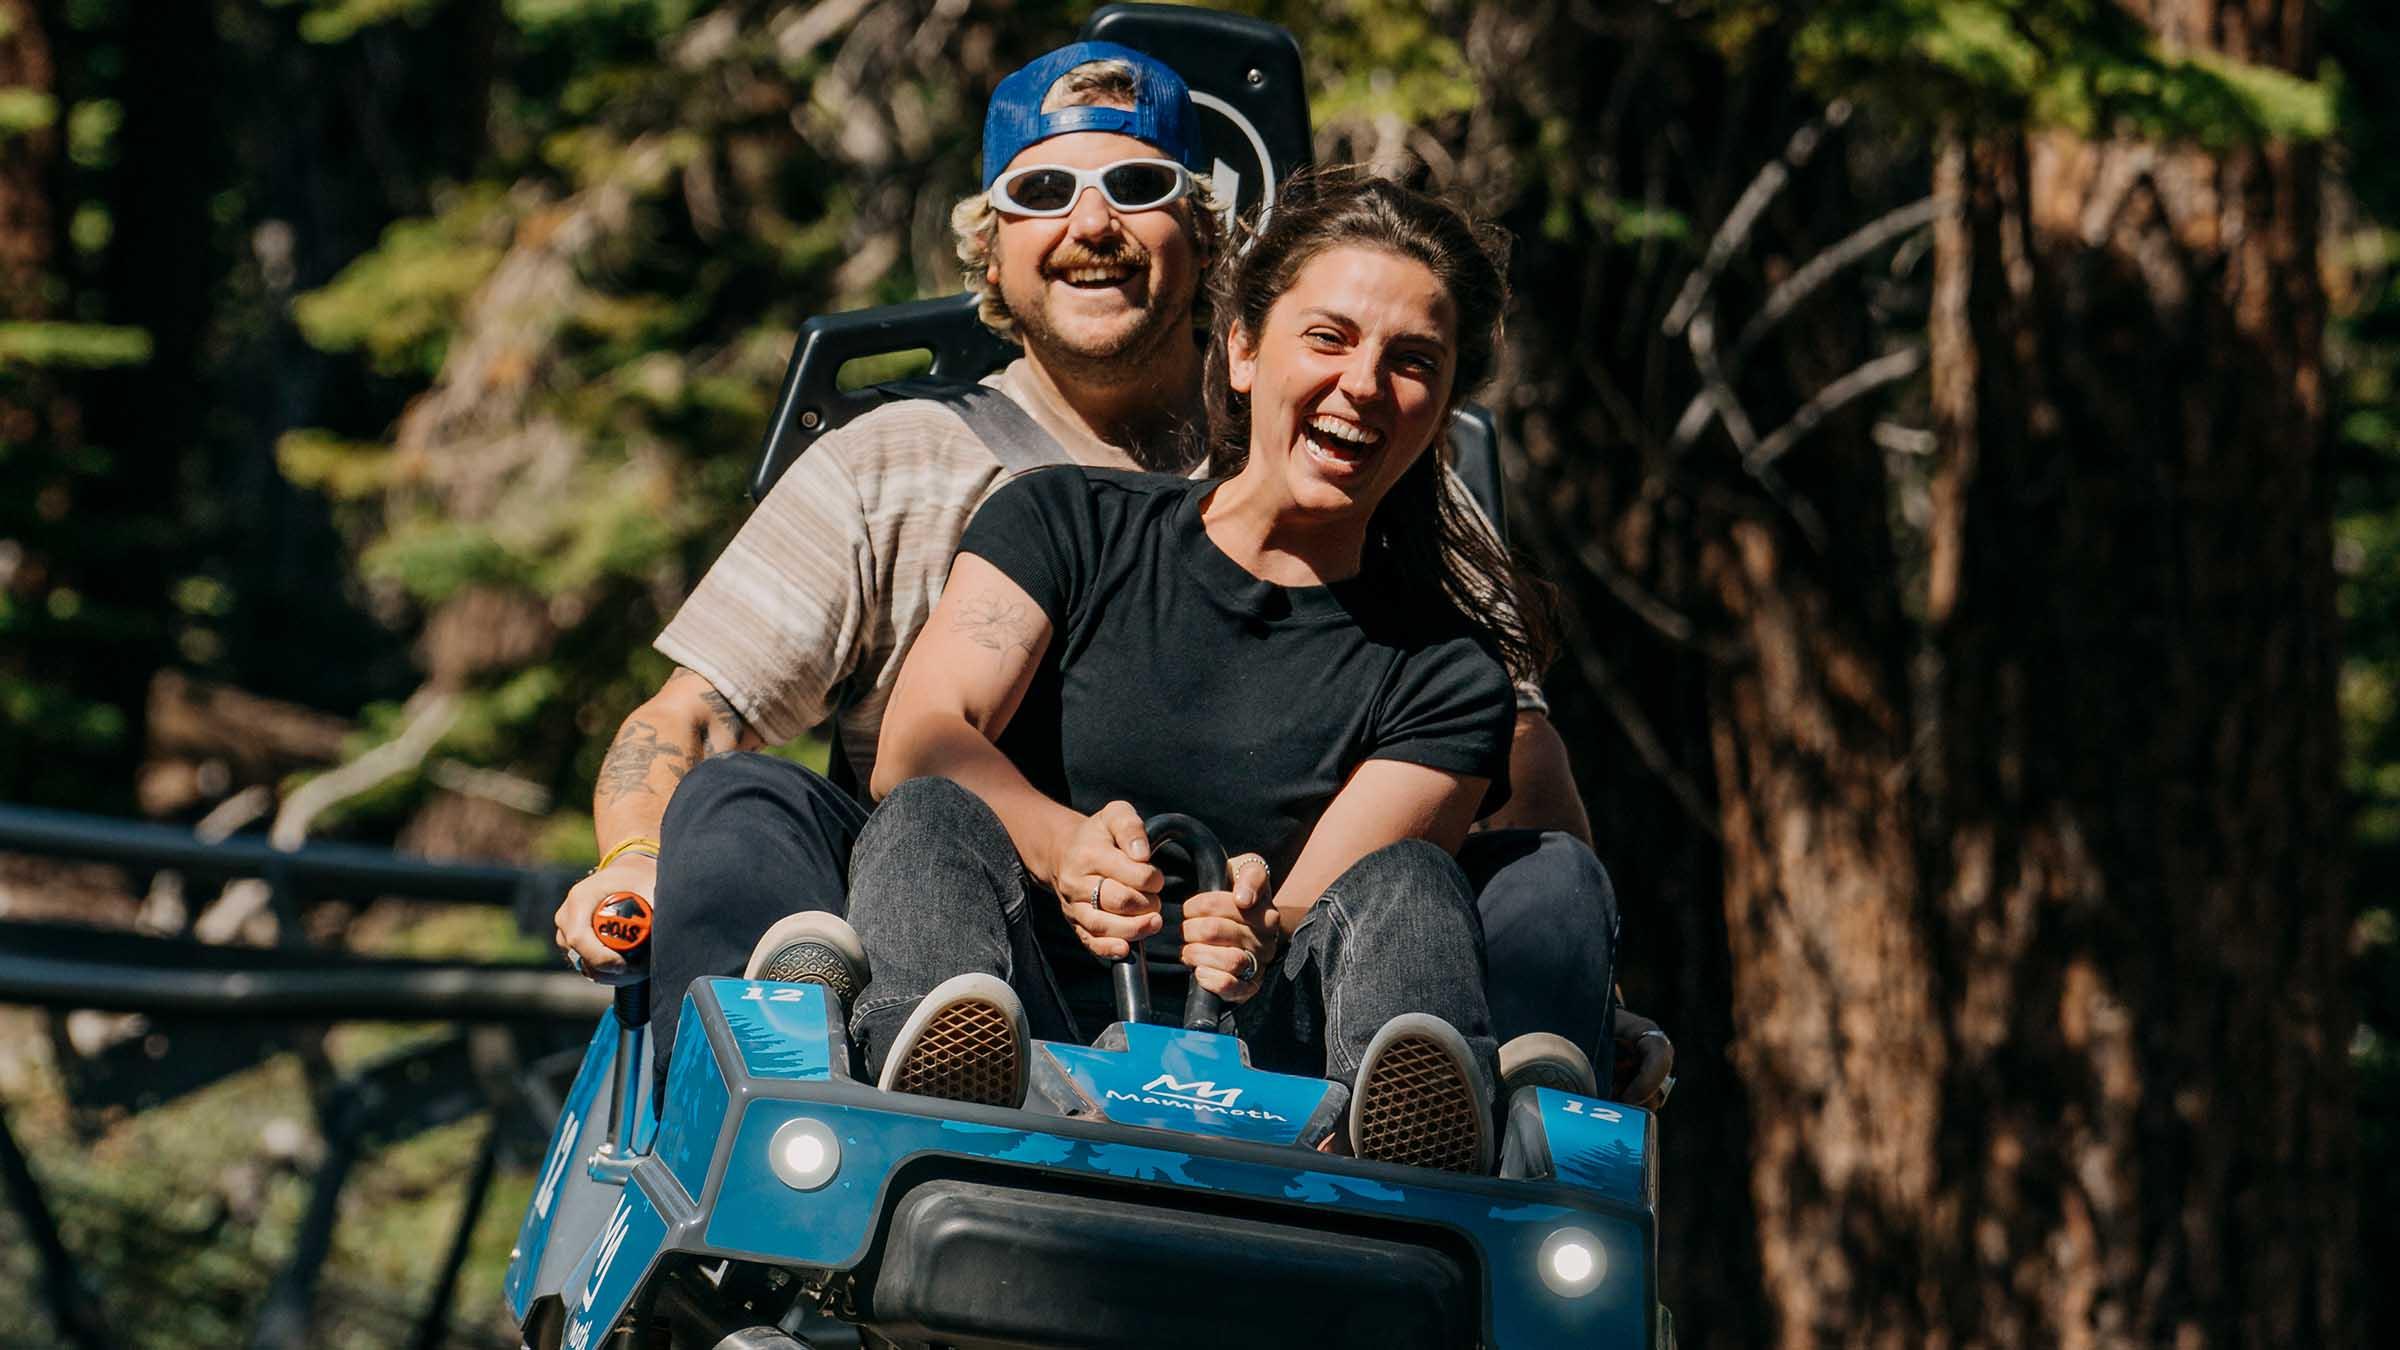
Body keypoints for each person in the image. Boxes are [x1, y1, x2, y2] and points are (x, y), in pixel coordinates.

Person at [549, 39, 1674, 1109]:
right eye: (1042, 195)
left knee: (1535, 879)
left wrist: (1581, 994)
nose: (1092, 222)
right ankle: (813, 1086)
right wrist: (637, 862)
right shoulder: (901, 466)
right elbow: (703, 722)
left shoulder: (1384, 493)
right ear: (988, 244)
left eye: (1137, 184)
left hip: (1276, 976)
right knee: (761, 803)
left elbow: (1516, 787)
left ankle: (1477, 1139)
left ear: (1208, 241)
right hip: (968, 913)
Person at [846, 168, 1569, 1175]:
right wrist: (1063, 848)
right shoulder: (1063, 523)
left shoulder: (1449, 676)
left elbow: (1320, 902)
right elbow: (921, 734)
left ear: (1440, 410)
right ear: (1239, 350)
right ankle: (949, 1097)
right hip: (1028, 1004)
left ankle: (1401, 1158)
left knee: (1410, 884)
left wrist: (1251, 933)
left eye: (1413, 364)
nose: (1364, 385)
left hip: (1267, 1070)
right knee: (926, 812)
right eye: (1328, 338)